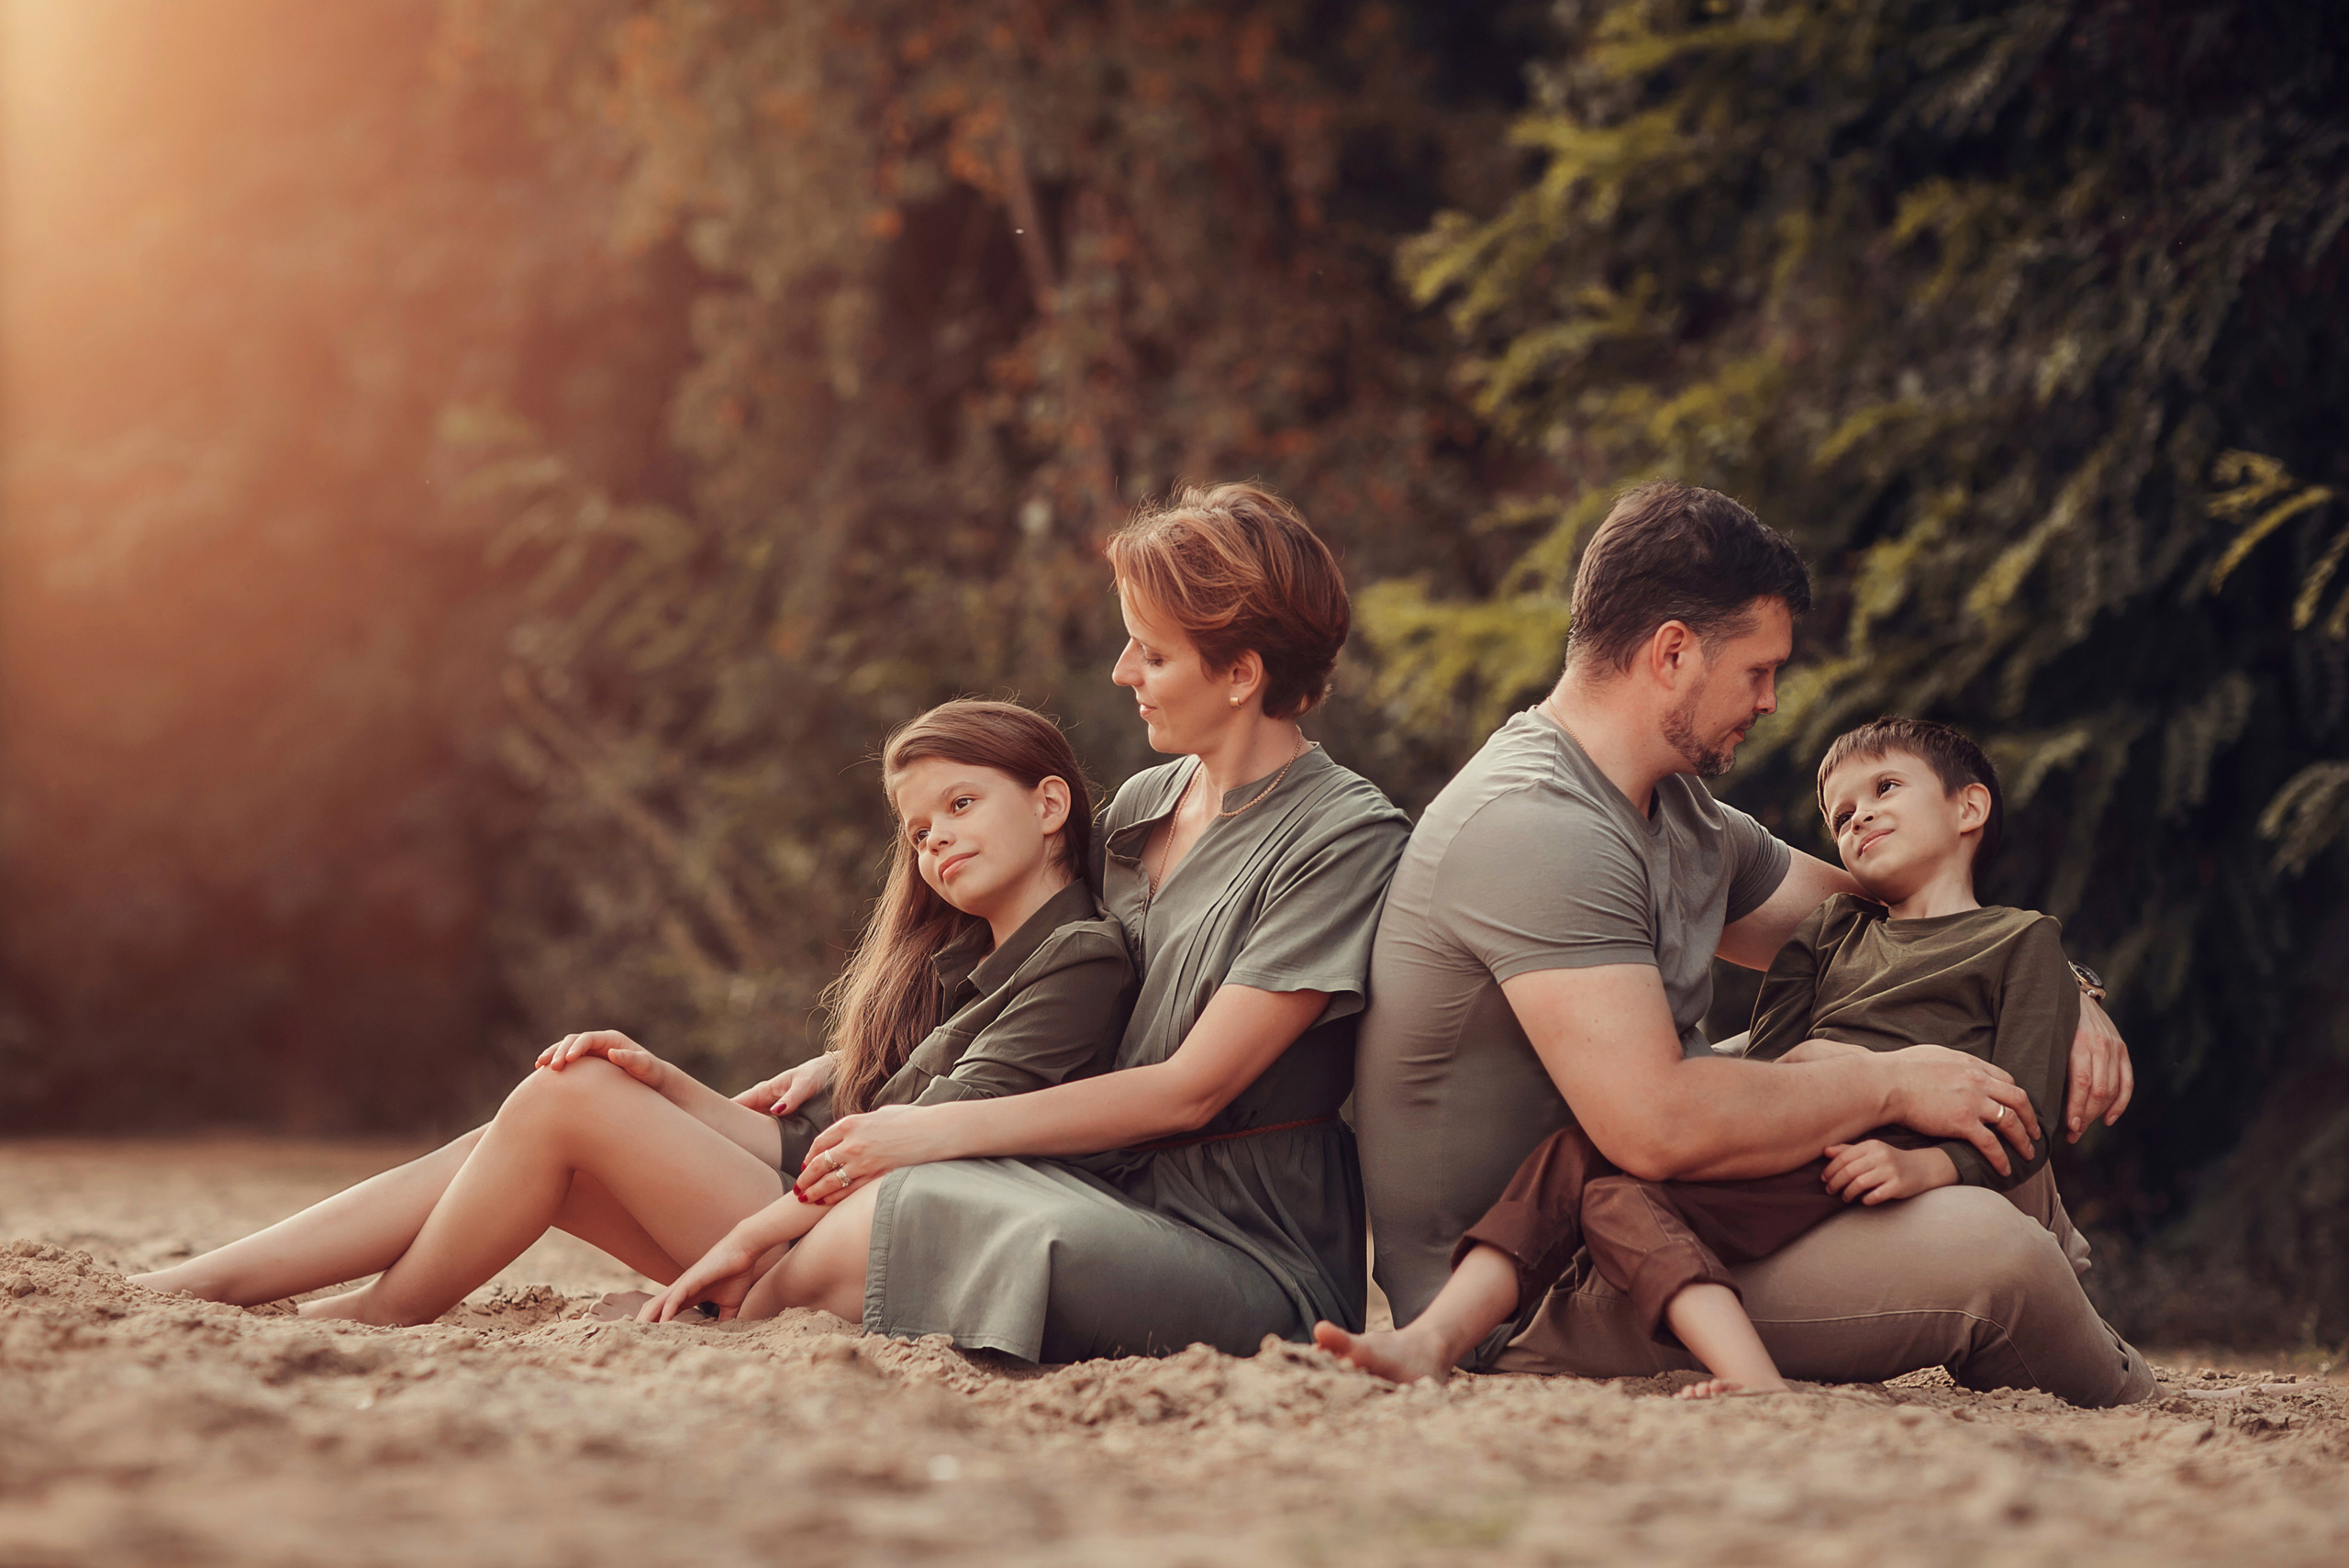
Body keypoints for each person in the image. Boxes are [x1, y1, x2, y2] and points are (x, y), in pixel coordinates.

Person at [1353, 481, 2152, 1406]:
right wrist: (1892, 1082)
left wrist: (2064, 988)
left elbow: (1904, 927)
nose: (1771, 701)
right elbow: (1655, 1122)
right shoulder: (1533, 824)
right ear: (1673, 653)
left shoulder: (1679, 809)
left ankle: (2048, 1319)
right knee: (1996, 1252)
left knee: (1960, 1050)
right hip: (1553, 1274)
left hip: (1685, 1197)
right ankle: (2121, 1382)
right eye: (1757, 670)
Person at [642, 484, 1411, 1362]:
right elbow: (1045, 983)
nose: (1123, 672)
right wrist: (856, 1064)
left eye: (1152, 655)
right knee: (909, 1184)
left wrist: (928, 1131)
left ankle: (710, 1320)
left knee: (917, 1194)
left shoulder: (1344, 837)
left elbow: (1188, 1089)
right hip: (1090, 1186)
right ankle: (710, 1301)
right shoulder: (1140, 808)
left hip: (1244, 1245)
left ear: (1241, 674)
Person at [128, 699, 1133, 1324]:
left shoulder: (1077, 958)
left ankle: (354, 1310)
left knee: (572, 1099)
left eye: (961, 805)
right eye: (917, 829)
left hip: (876, 1249)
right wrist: (671, 1084)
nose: (935, 842)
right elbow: (810, 1147)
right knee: (538, 1123)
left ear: (1049, 805)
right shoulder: (967, 964)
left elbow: (919, 1152)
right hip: (820, 1219)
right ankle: (221, 1284)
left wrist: (740, 1240)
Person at [1323, 717, 2103, 1396]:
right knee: (1592, 1173)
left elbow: (2024, 1105)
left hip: (1896, 1152)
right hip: (1802, 1136)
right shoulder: (1830, 929)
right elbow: (1769, 1057)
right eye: (1841, 813)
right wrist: (1809, 1092)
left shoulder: (2024, 940)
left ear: (1969, 806)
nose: (1860, 816)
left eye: (1887, 788)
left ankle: (2104, 1354)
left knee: (1604, 1176)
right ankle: (1433, 1338)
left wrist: (1933, 1162)